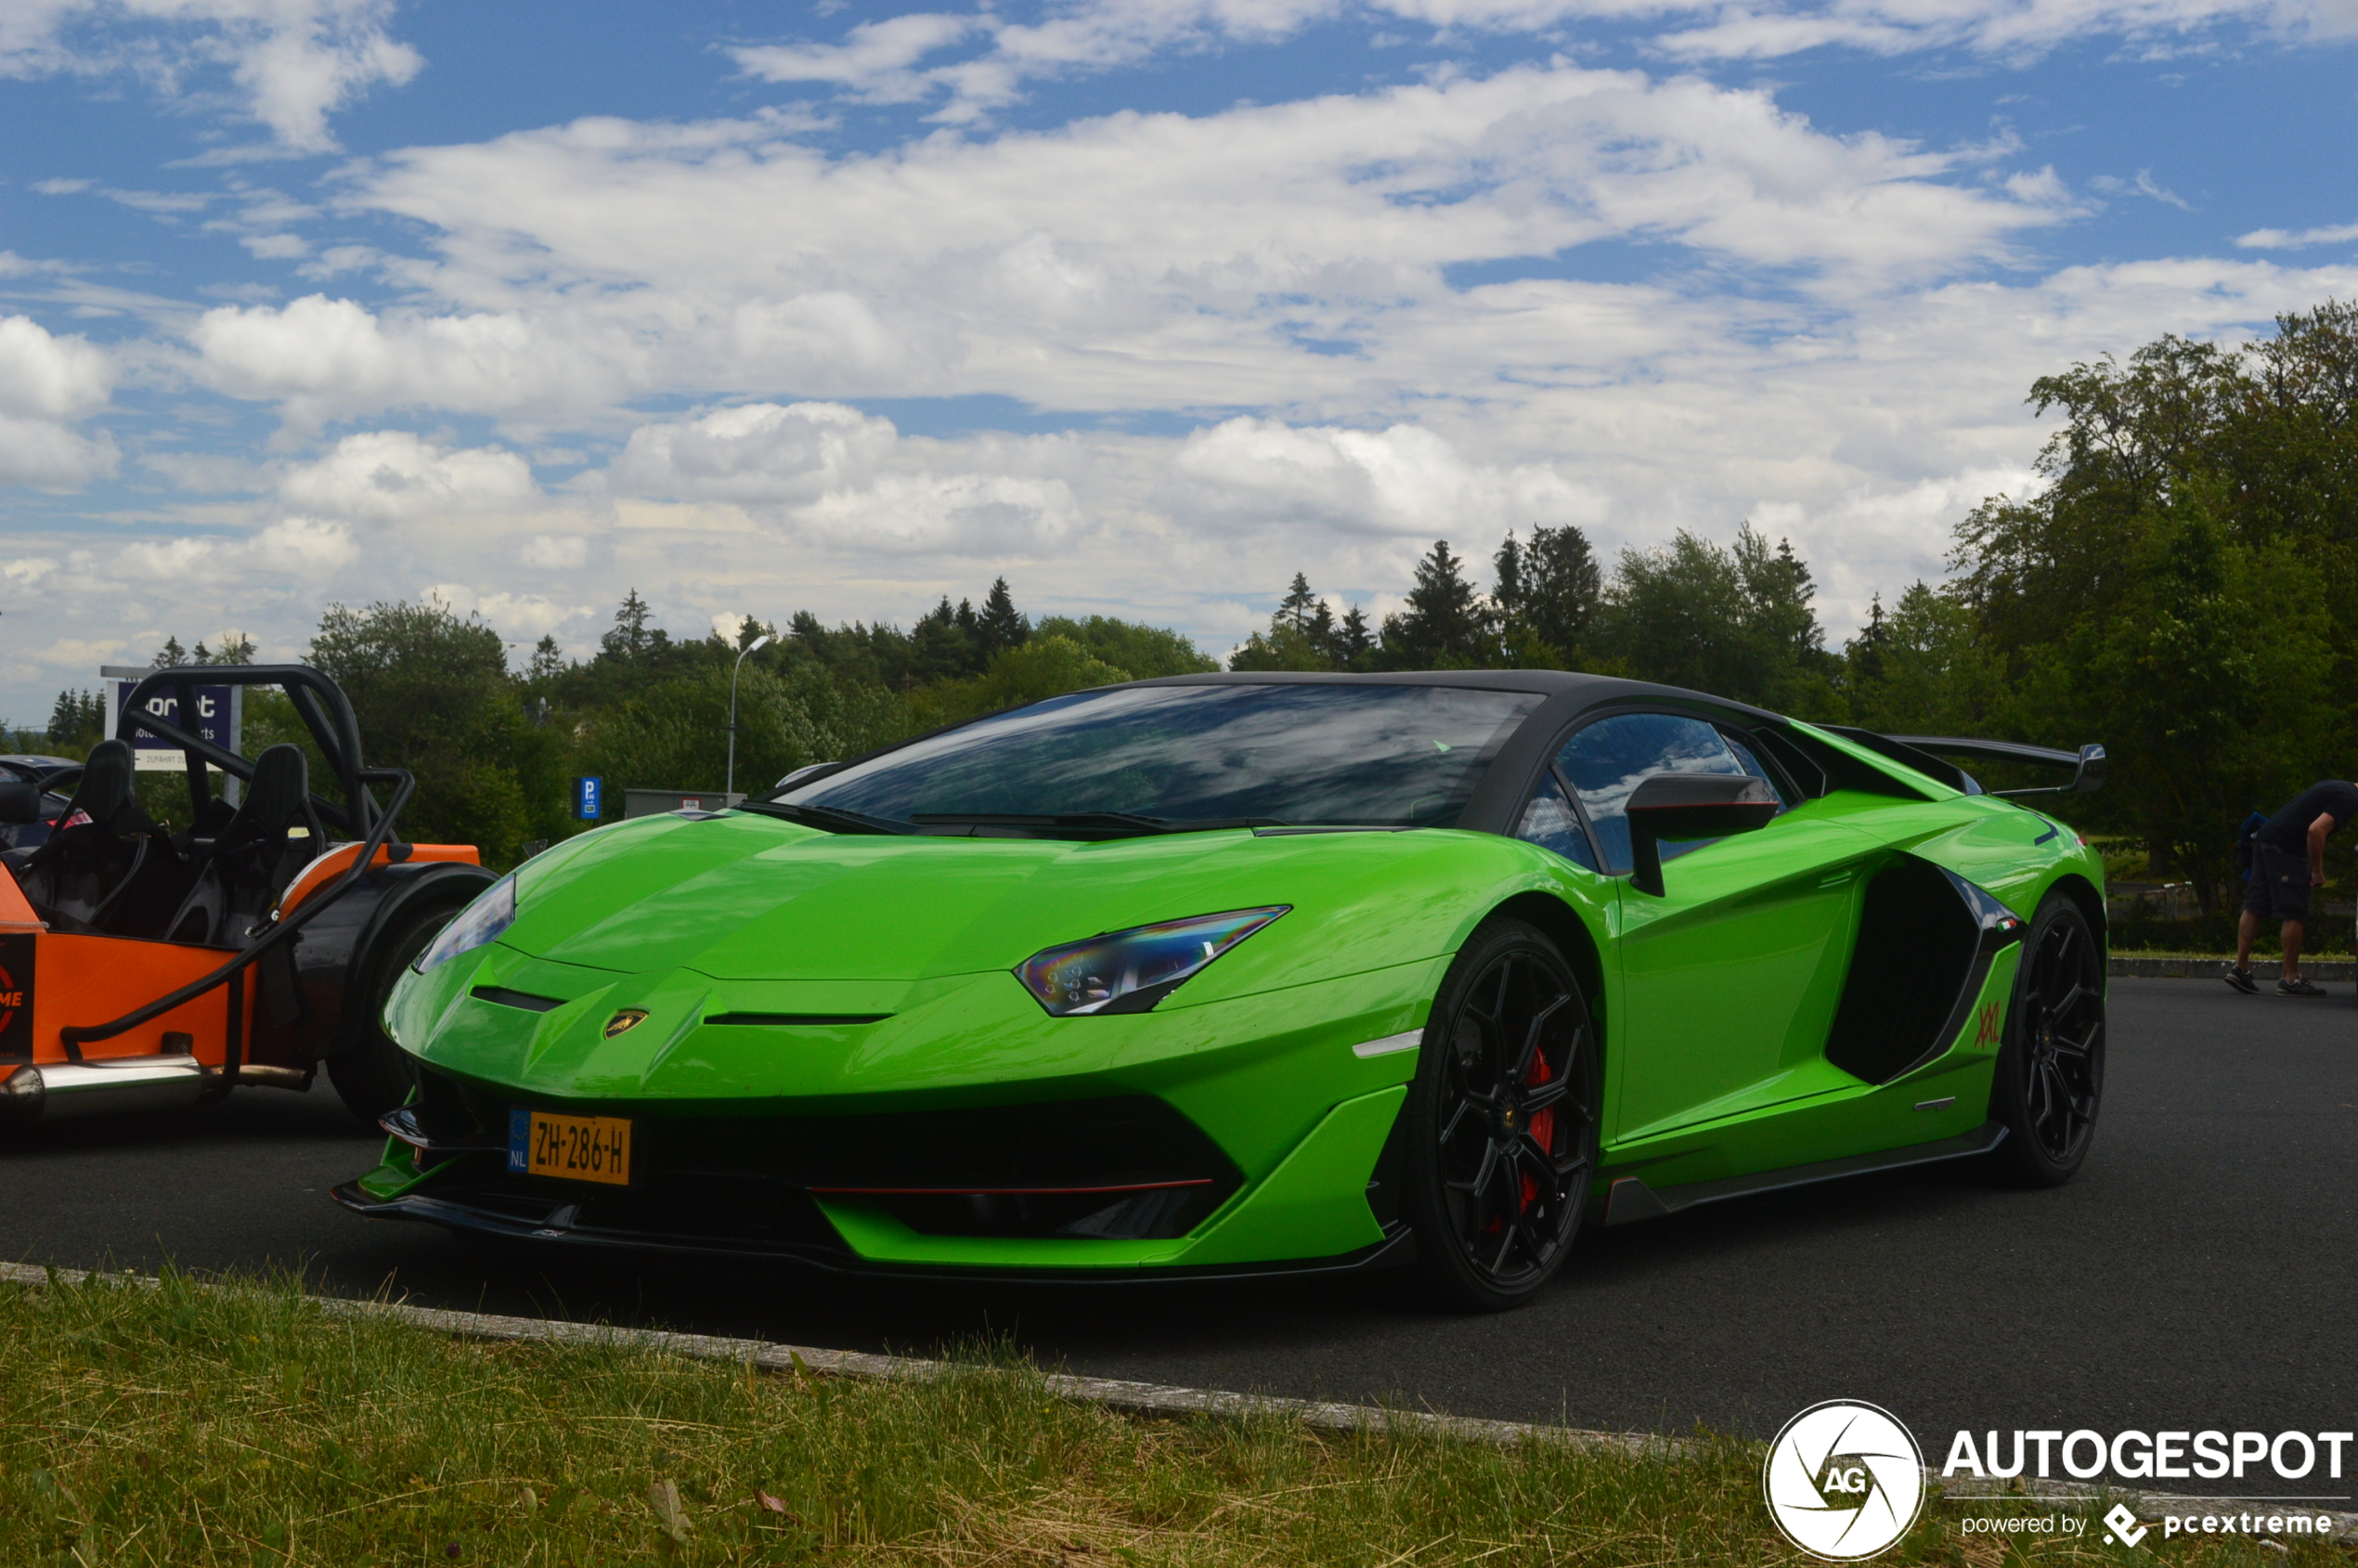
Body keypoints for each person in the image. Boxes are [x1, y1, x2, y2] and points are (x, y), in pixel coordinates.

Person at [2225, 780, 2358, 996]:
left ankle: (2240, 967)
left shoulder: (2338, 787)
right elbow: (2316, 831)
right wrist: (2317, 870)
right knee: (2295, 911)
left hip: (2266, 837)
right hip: (2286, 847)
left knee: (2256, 906)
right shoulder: (2350, 798)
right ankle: (2290, 978)